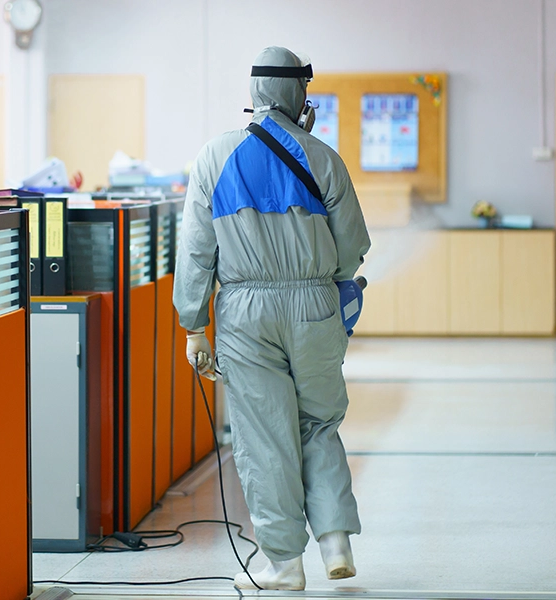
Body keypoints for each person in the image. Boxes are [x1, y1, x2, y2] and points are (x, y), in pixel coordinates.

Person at [173, 46, 371, 591]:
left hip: (245, 314)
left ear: (255, 92)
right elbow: (353, 248)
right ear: (297, 93)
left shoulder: (214, 157)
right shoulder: (323, 157)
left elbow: (195, 250)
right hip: (314, 308)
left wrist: (193, 325)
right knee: (319, 425)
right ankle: (335, 543)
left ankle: (284, 565)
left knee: (264, 436)